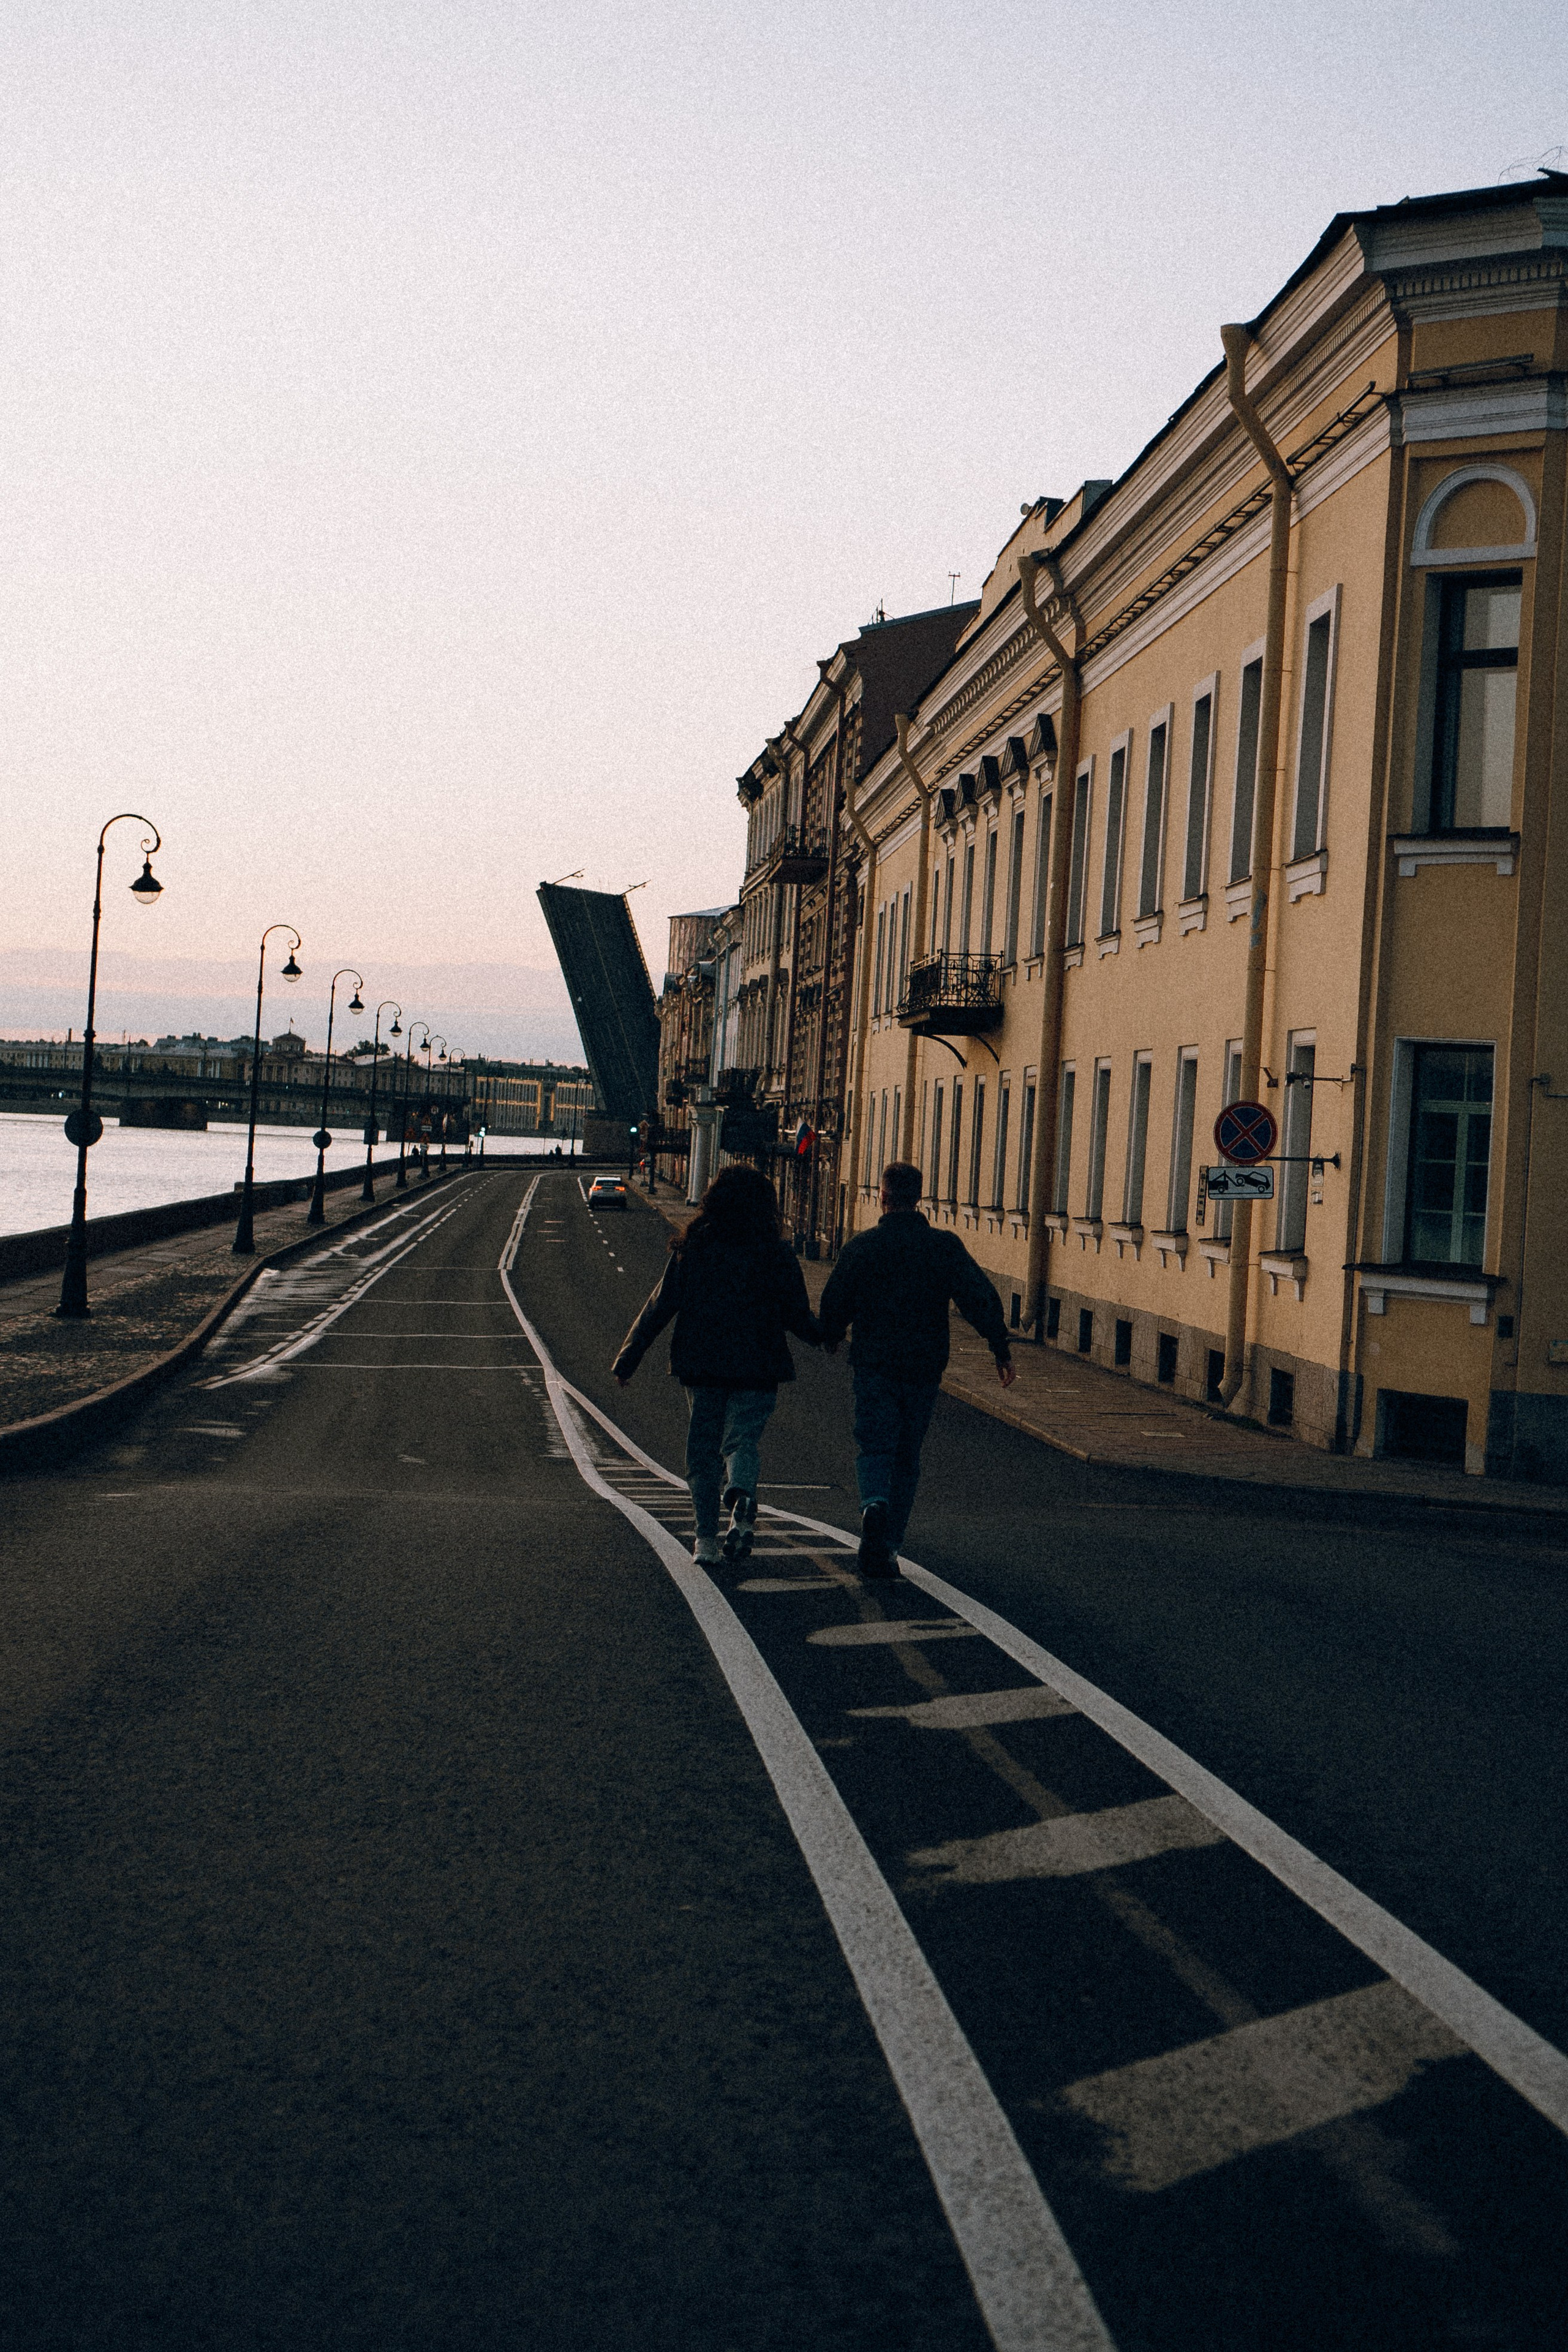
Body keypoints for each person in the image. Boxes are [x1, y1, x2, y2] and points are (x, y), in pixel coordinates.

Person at [613, 1166, 822, 1566]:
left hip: (702, 1363)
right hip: (760, 1366)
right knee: (741, 1440)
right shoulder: (776, 1254)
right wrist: (826, 1336)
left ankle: (705, 1542)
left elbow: (660, 1306)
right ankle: (741, 1491)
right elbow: (797, 1314)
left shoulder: (694, 1248)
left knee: (703, 1453)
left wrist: (629, 1359)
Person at [818, 1159, 1016, 1578]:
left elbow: (837, 1296)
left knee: (874, 1444)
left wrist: (832, 1333)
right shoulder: (944, 1246)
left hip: (874, 1362)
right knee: (907, 1454)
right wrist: (999, 1346)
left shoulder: (863, 1246)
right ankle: (889, 1547)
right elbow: (978, 1296)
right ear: (919, 1198)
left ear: (884, 1197)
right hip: (924, 1367)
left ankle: (873, 1503)